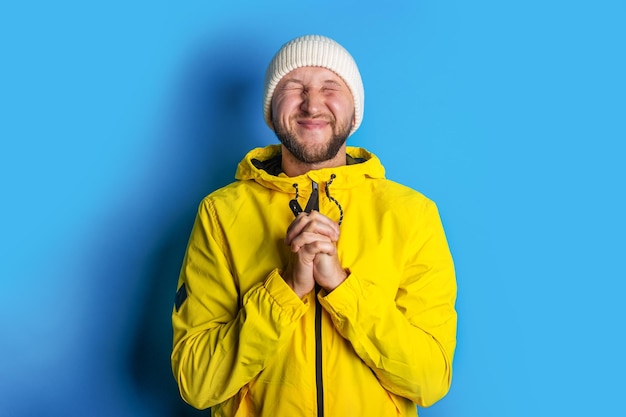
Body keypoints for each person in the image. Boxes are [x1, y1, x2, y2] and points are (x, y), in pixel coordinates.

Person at [171, 34, 457, 417]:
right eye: (294, 87)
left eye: (330, 87)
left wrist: (342, 287)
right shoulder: (220, 213)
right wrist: (287, 291)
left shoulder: (412, 214)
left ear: (354, 110)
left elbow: (429, 379)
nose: (312, 104)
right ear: (272, 110)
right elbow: (197, 383)